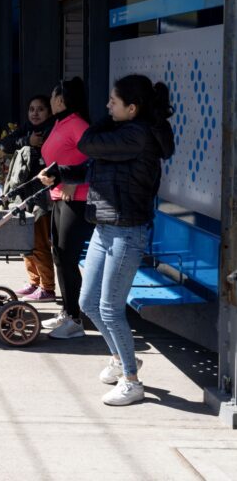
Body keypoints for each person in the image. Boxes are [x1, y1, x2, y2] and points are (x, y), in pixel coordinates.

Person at [39, 75, 174, 406]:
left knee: (110, 309)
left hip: (126, 231)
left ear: (133, 108)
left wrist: (102, 120)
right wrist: (62, 175)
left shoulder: (136, 135)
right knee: (88, 303)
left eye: (113, 102)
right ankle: (121, 357)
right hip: (105, 225)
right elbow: (96, 168)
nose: (107, 106)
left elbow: (87, 144)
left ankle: (132, 380)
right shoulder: (125, 131)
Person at [41, 77, 93, 339]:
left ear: (60, 100)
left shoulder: (78, 125)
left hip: (77, 199)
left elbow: (97, 157)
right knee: (59, 256)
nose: (50, 101)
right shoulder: (61, 122)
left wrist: (75, 181)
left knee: (68, 258)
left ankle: (75, 320)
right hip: (59, 197)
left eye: (52, 97)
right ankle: (68, 310)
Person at [0, 95, 56, 302]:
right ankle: (34, 282)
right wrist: (27, 141)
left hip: (41, 197)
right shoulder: (26, 129)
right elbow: (4, 145)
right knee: (25, 241)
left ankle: (47, 288)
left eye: (40, 109)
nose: (35, 113)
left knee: (39, 242)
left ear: (49, 112)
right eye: (32, 109)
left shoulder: (52, 131)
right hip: (24, 196)